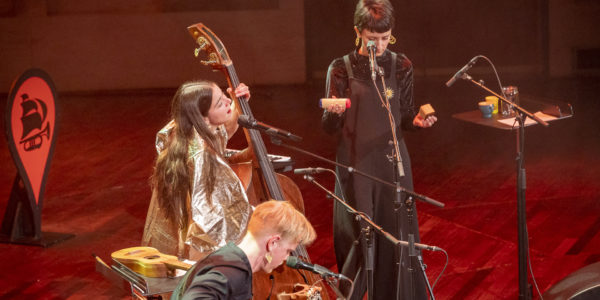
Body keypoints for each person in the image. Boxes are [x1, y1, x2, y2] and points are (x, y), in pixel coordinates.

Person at [321, 0, 437, 299]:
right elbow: (329, 127)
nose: (380, 45)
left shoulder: (401, 65)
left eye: (385, 38)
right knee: (360, 235)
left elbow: (406, 113)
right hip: (356, 163)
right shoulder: (340, 68)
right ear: (358, 32)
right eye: (373, 39)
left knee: (396, 234)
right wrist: (333, 112)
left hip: (392, 161)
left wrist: (419, 121)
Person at [142, 80, 254, 261]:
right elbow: (211, 218)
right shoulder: (200, 155)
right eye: (220, 103)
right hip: (199, 252)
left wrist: (237, 101)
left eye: (225, 96)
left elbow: (222, 130)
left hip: (177, 245)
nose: (227, 102)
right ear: (203, 118)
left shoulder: (183, 132)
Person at [170, 200, 317, 300]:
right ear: (273, 243)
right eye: (288, 251)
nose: (286, 258)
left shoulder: (230, 261)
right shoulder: (232, 272)